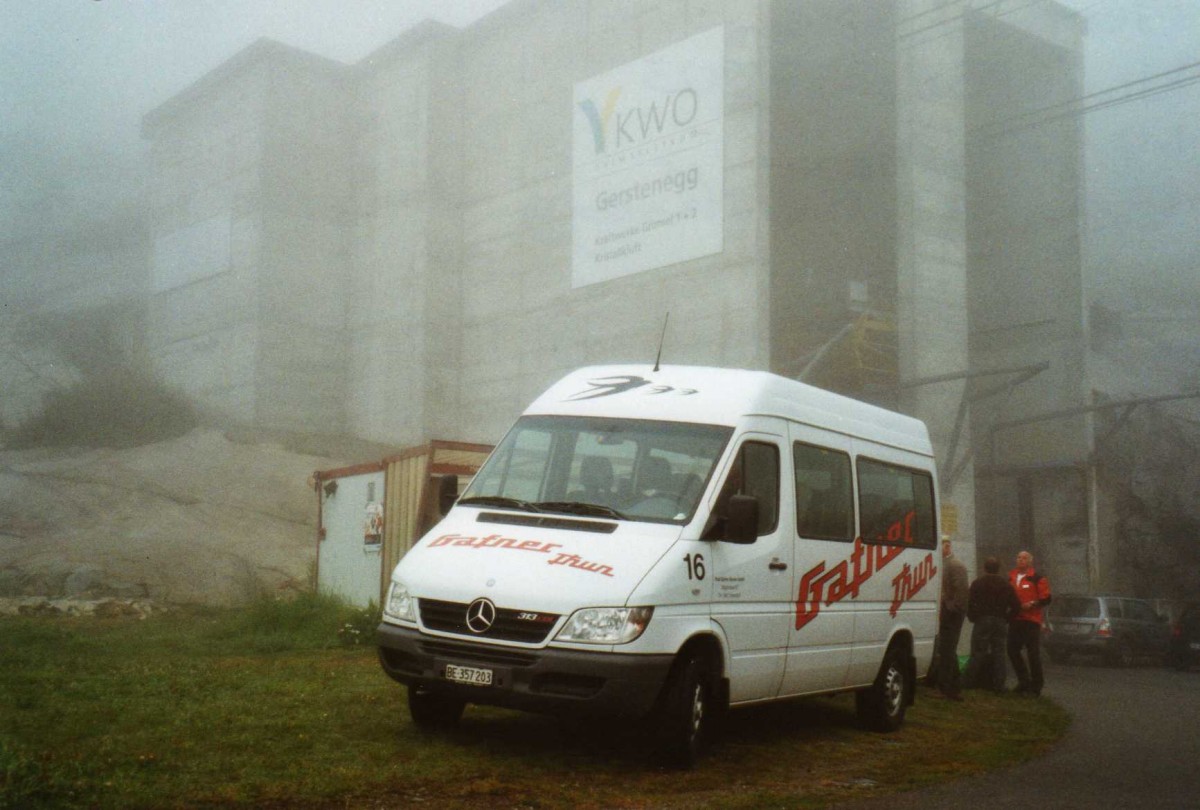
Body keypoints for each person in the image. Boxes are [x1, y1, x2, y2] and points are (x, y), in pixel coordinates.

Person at [964, 556, 1020, 692]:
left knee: (978, 652)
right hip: (1000, 621)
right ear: (998, 569)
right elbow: (1016, 606)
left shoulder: (978, 583)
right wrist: (1007, 618)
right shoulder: (1006, 585)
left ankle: (968, 682)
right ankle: (999, 685)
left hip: (982, 620)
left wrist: (973, 617)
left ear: (984, 568)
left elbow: (969, 602)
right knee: (999, 653)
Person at [1008, 550, 1052, 696]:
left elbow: (1046, 598)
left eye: (1024, 558)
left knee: (1033, 653)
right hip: (1015, 619)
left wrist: (1032, 604)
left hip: (1031, 621)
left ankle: (1036, 686)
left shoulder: (1037, 578)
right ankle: (1023, 681)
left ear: (1030, 561)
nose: (1021, 560)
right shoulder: (1011, 576)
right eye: (1019, 557)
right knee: (1012, 650)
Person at [935, 538, 969, 700]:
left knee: (947, 648)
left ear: (947, 546)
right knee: (947, 648)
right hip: (946, 612)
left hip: (952, 613)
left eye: (940, 544)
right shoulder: (943, 564)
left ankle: (948, 688)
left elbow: (961, 591)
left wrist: (952, 608)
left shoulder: (955, 565)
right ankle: (953, 686)